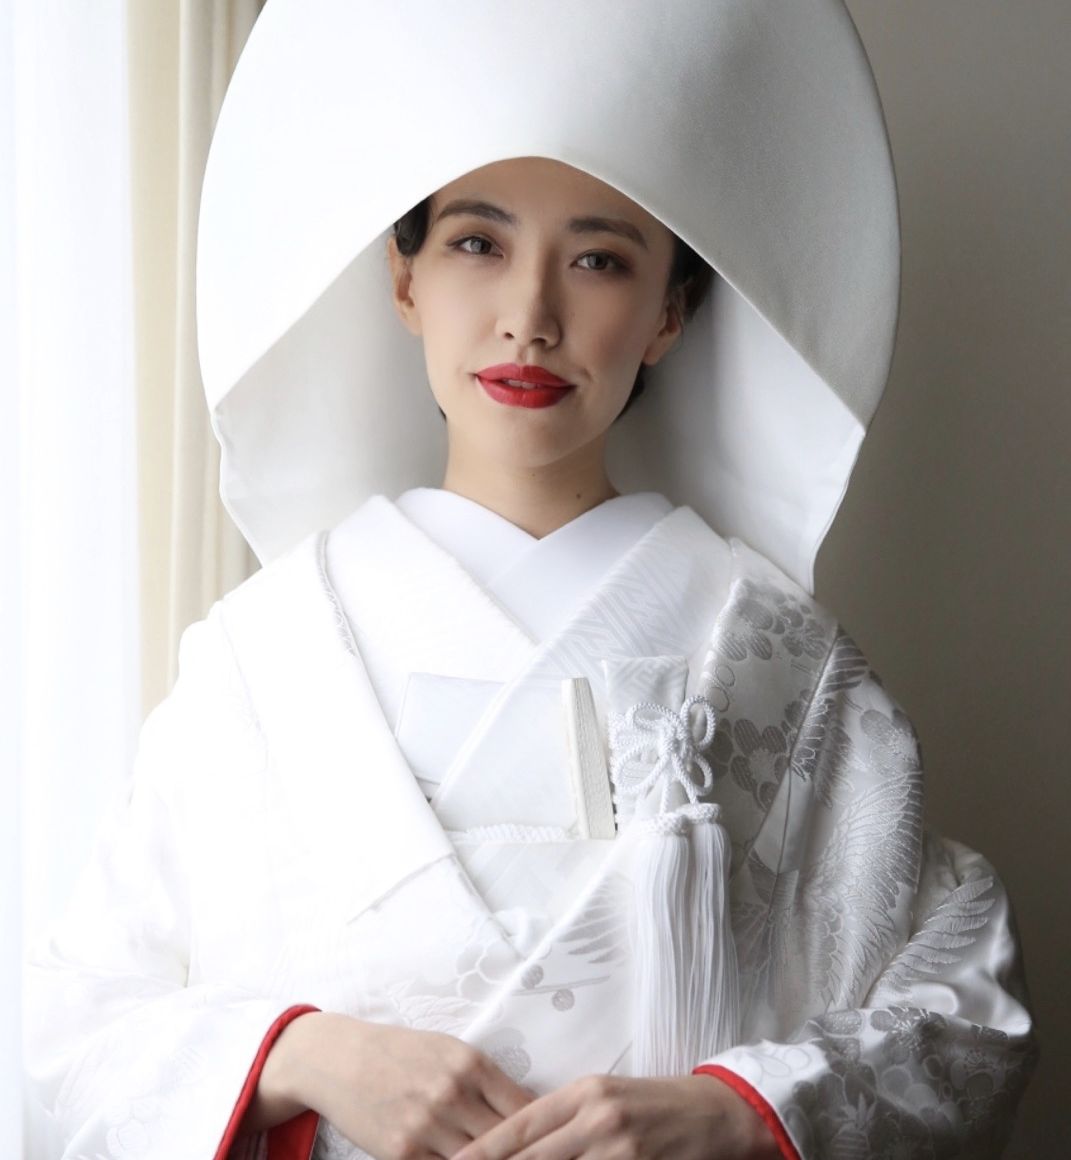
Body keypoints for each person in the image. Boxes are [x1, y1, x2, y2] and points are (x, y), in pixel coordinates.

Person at [24, 2, 1037, 1158]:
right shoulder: (265, 658)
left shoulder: (778, 662)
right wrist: (301, 1053)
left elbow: (967, 1007)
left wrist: (740, 1109)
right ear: (402, 275)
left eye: (599, 259)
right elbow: (73, 1022)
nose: (530, 317)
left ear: (669, 310)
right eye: (476, 243)